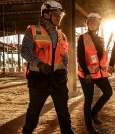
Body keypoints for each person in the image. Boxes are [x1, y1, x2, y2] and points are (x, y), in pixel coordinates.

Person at [20, 0, 73, 133]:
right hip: (39, 79)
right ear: (45, 14)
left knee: (63, 113)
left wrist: (65, 71)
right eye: (55, 14)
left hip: (59, 80)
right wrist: (39, 63)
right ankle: (27, 131)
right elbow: (25, 51)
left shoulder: (62, 35)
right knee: (34, 112)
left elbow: (64, 56)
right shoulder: (33, 31)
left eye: (60, 15)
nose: (58, 17)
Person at [77, 13, 113, 134]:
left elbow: (100, 56)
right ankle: (89, 126)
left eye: (95, 22)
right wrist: (87, 73)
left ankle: (94, 112)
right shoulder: (82, 38)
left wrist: (105, 68)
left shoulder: (101, 39)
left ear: (98, 25)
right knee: (89, 99)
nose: (92, 24)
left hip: (98, 72)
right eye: (90, 22)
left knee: (108, 92)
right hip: (85, 73)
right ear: (87, 24)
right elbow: (80, 57)